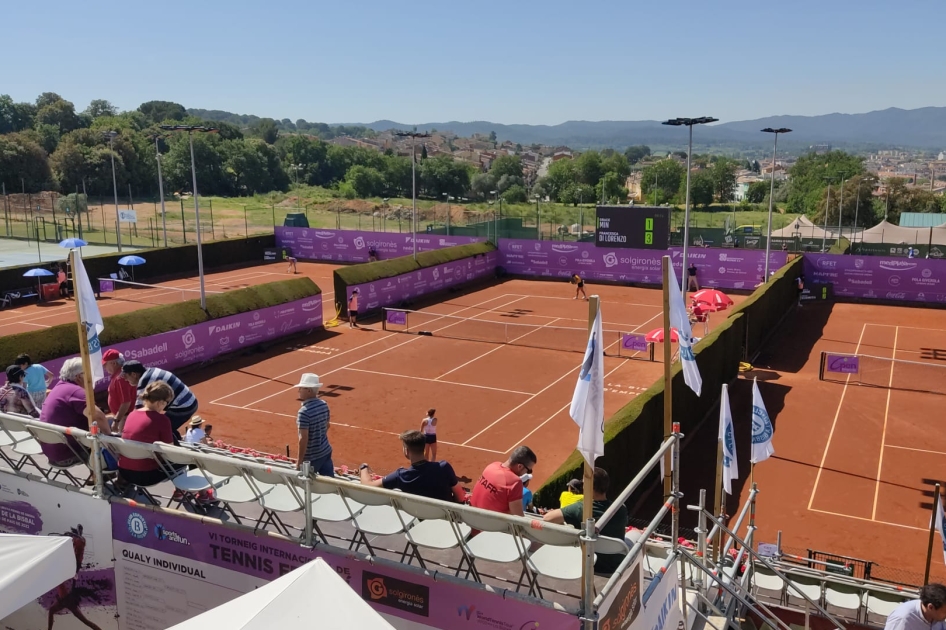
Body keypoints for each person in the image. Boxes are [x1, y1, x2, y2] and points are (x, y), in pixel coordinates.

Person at [543, 467, 629, 575]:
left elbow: (547, 518)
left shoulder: (580, 508)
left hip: (588, 565)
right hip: (616, 568)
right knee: (635, 535)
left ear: (589, 487)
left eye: (584, 483)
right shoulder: (621, 509)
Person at [39, 358, 111, 467]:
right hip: (69, 453)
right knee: (117, 438)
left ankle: (100, 475)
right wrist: (111, 443)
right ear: (79, 376)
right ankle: (111, 477)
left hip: (53, 452)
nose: (91, 377)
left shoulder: (59, 387)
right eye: (89, 373)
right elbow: (99, 416)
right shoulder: (75, 391)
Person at [359, 430, 467, 503]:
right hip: (447, 523)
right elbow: (460, 498)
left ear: (406, 451)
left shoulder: (400, 476)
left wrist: (363, 467)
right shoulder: (444, 467)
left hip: (419, 522)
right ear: (424, 448)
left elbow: (368, 486)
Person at [118, 381, 178, 487]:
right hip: (146, 476)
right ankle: (185, 493)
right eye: (167, 402)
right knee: (190, 461)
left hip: (124, 473)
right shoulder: (162, 419)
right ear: (159, 402)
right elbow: (170, 452)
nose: (166, 406)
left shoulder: (132, 414)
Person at [121, 361, 198, 437]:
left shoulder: (145, 380)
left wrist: (128, 427)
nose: (125, 379)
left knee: (159, 429)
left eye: (126, 376)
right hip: (188, 402)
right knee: (167, 427)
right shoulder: (150, 371)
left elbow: (139, 411)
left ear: (134, 374)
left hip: (185, 406)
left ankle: (175, 447)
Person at [470, 445, 537, 516]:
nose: (527, 473)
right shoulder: (515, 482)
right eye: (529, 470)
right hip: (489, 525)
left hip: (472, 519)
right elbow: (518, 518)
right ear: (519, 466)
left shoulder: (492, 465)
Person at [294, 373, 334, 476]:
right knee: (330, 484)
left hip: (311, 458)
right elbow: (327, 426)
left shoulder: (303, 412)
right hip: (325, 451)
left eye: (301, 388)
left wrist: (299, 462)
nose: (298, 391)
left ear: (308, 390)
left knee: (304, 484)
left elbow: (303, 439)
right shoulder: (324, 404)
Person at [102, 349, 135, 433]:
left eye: (105, 364)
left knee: (124, 444)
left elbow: (126, 402)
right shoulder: (119, 375)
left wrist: (116, 421)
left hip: (125, 418)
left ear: (113, 363)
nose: (104, 367)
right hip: (123, 416)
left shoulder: (120, 377)